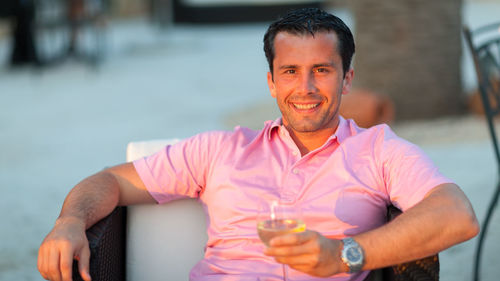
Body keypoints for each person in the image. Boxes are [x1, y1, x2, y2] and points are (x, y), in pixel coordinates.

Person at [38, 8, 479, 281]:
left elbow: (458, 215)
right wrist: (69, 221)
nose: (305, 87)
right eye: (290, 72)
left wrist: (345, 255)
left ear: (347, 78)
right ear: (271, 82)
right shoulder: (220, 151)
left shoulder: (378, 150)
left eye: (322, 70)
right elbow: (110, 179)